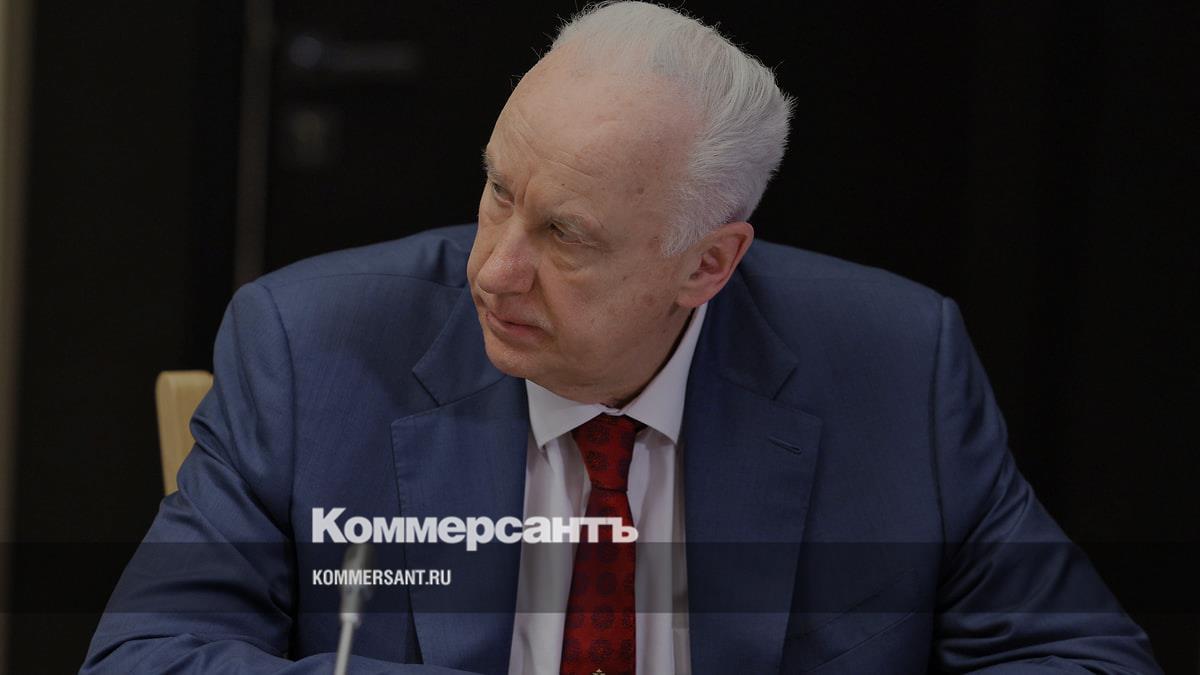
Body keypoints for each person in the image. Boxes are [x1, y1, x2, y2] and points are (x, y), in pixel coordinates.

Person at [83, 2, 1161, 673]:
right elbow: (146, 656)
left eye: (566, 236)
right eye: (498, 193)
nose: (494, 268)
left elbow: (1083, 656)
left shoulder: (894, 365)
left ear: (709, 264)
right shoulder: (310, 347)